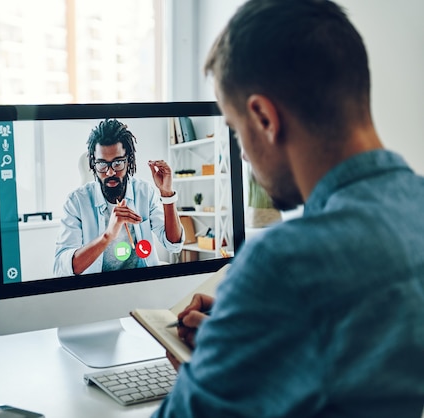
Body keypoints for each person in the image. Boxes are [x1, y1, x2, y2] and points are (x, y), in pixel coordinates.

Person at [154, 0, 424, 417]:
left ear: (263, 117)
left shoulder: (285, 264)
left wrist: (205, 369)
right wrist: (242, 334)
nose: (243, 154)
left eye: (235, 130)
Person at [53, 119, 184, 276]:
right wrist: (108, 235)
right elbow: (62, 267)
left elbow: (174, 245)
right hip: (98, 289)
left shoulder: (144, 192)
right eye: (102, 164)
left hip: (143, 284)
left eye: (117, 163)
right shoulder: (76, 202)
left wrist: (167, 194)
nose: (110, 173)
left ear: (128, 161)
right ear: (93, 164)